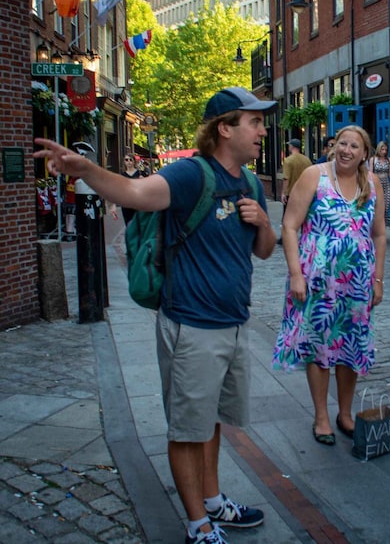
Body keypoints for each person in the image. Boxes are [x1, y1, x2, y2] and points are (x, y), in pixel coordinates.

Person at [35, 87, 277, 543]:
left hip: (233, 325)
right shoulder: (190, 174)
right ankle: (198, 525)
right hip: (192, 327)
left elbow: (264, 253)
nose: (263, 130)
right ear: (225, 128)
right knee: (188, 429)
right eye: (254, 122)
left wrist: (263, 224)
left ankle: (213, 500)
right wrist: (85, 168)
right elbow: (132, 191)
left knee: (212, 420)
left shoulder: (251, 184)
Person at [273, 125, 387, 445]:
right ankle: (321, 416)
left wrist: (378, 279)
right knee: (319, 347)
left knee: (350, 349)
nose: (346, 150)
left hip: (357, 282)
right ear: (333, 146)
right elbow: (290, 225)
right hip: (317, 280)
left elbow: (378, 234)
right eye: (341, 144)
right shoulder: (314, 175)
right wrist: (296, 274)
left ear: (364, 153)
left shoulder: (373, 183)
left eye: (354, 146)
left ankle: (345, 413)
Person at [368, 141, 390, 229]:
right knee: (378, 208)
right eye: (382, 149)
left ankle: (382, 228)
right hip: (376, 184)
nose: (384, 151)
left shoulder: (388, 160)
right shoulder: (373, 159)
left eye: (386, 149)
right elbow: (370, 173)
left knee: (385, 208)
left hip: (386, 185)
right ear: (379, 149)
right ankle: (375, 228)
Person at [109, 153, 148, 224]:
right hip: (126, 204)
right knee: (129, 225)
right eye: (126, 160)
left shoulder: (141, 173)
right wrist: (113, 205)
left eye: (131, 160)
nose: (129, 162)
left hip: (139, 203)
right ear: (124, 162)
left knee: (140, 225)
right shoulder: (122, 175)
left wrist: (143, 181)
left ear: (134, 161)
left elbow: (149, 187)